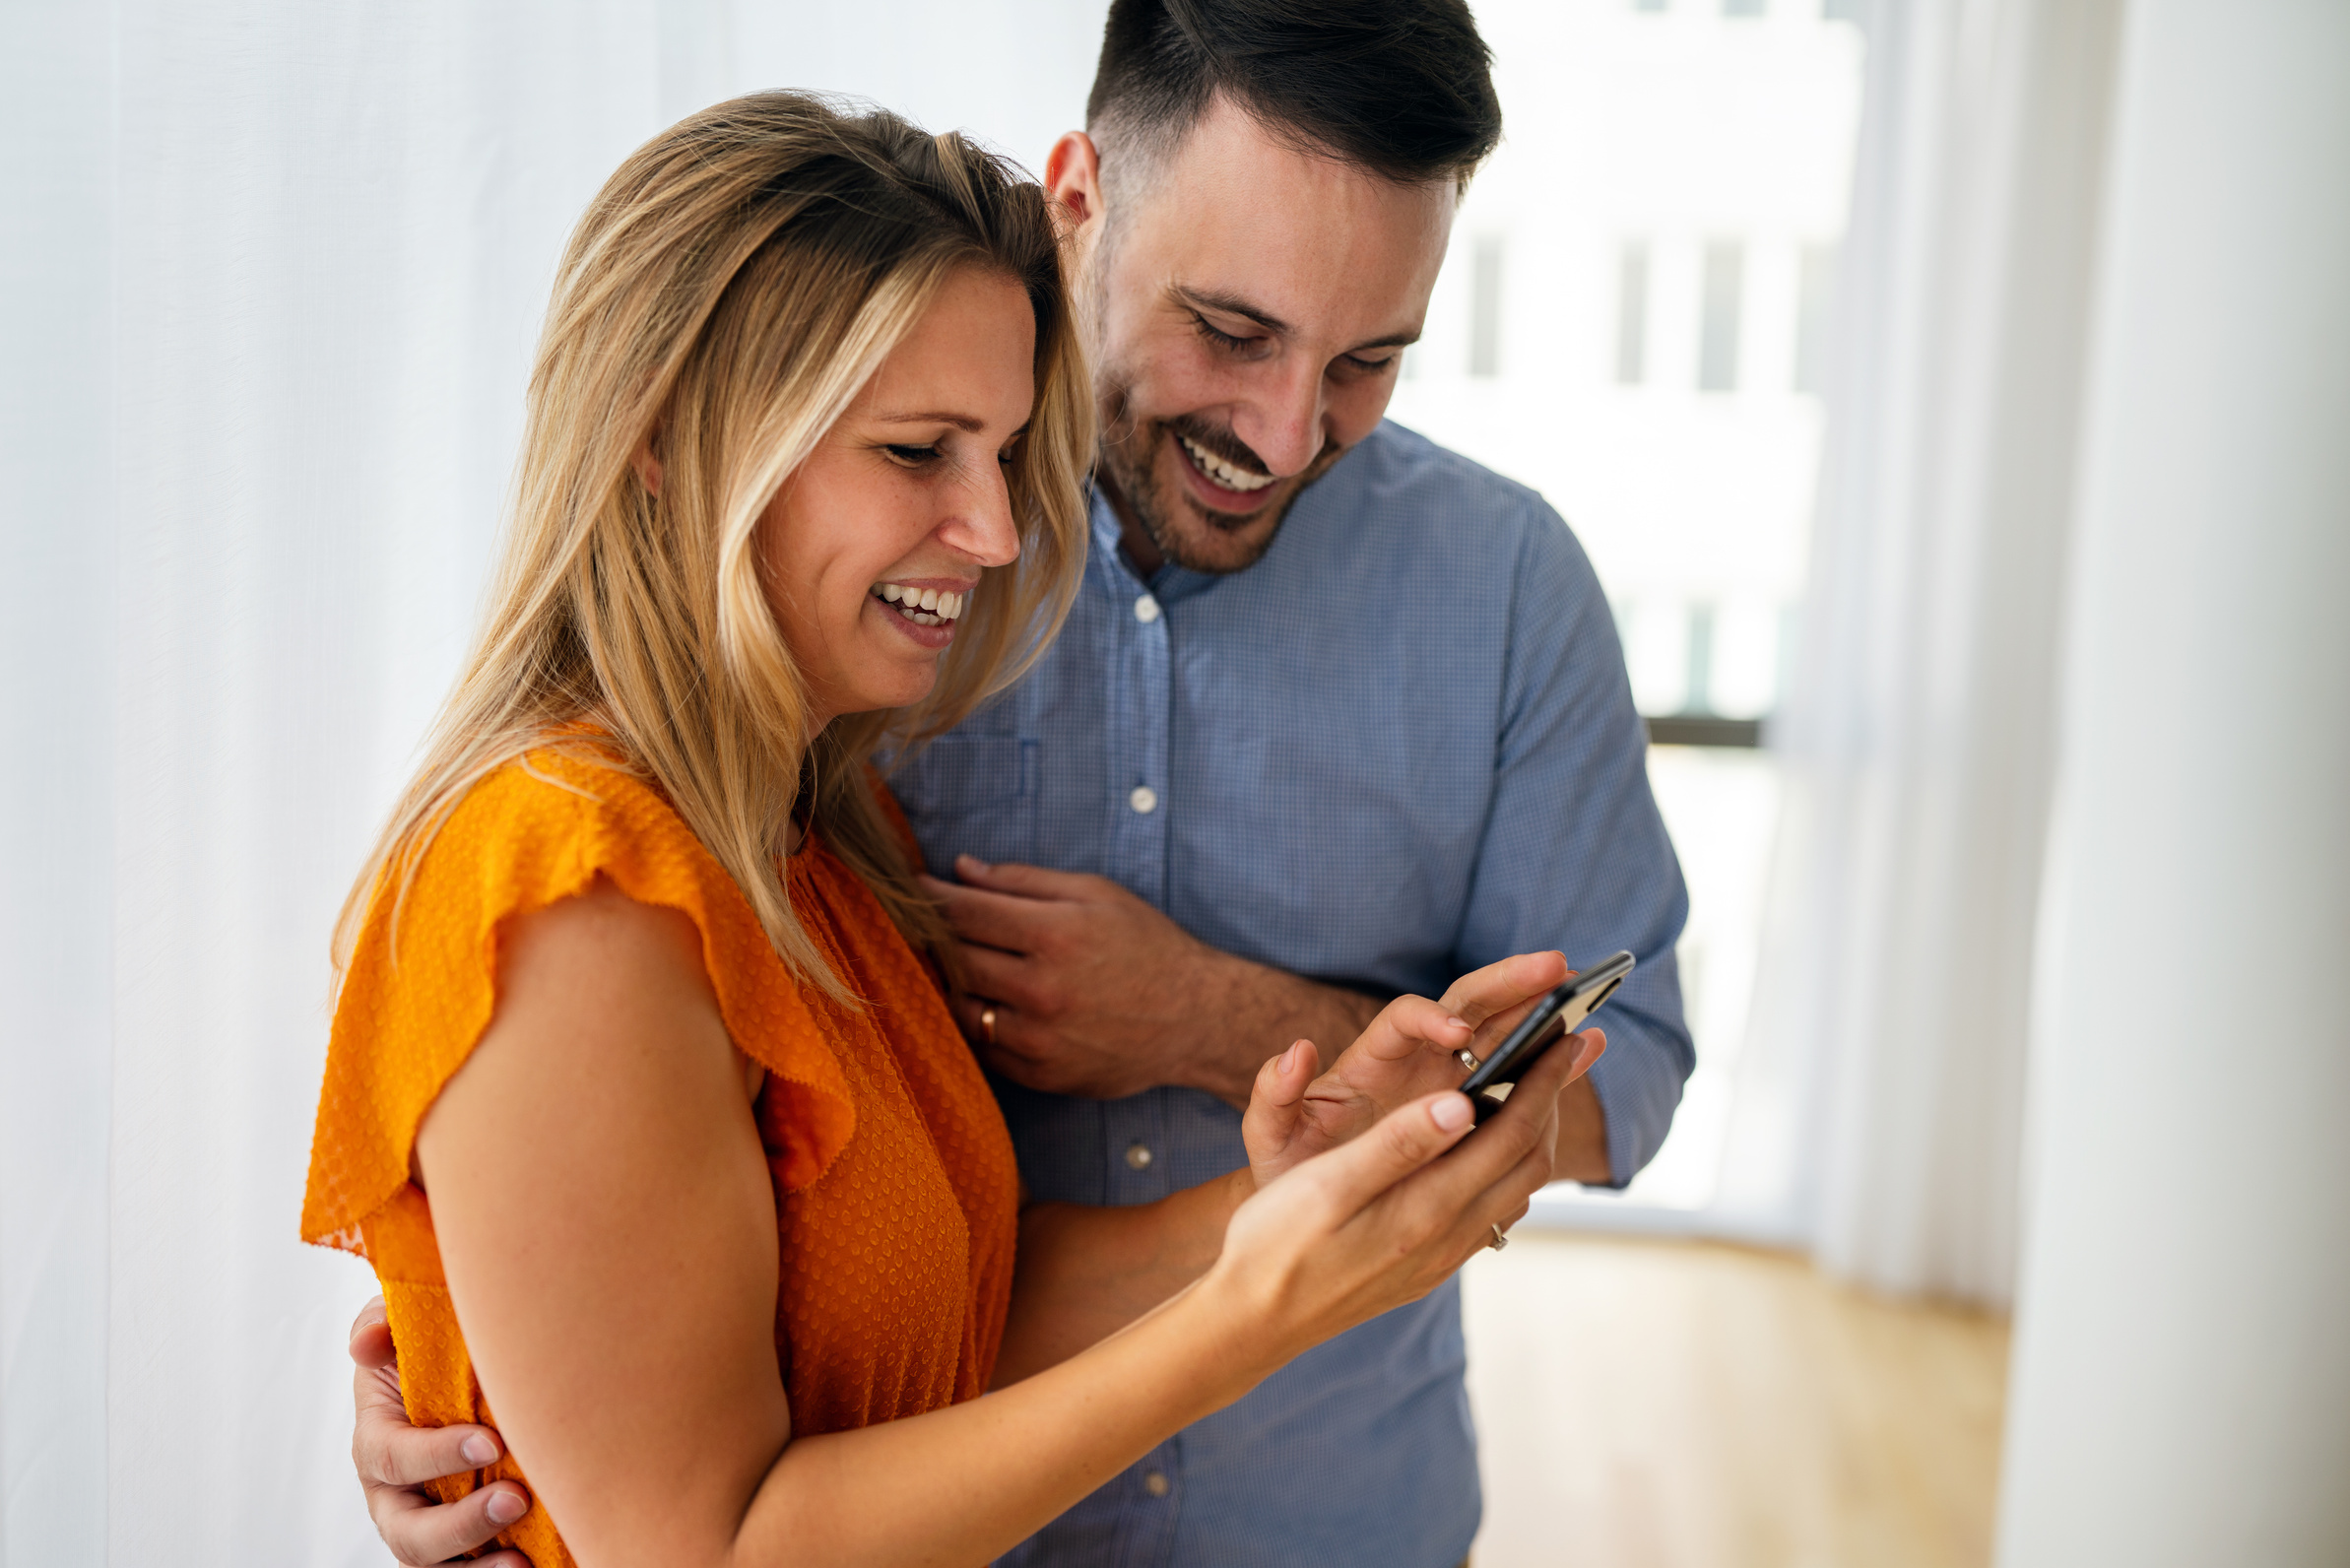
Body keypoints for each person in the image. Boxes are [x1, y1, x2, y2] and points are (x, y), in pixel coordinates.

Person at [308, 90, 1599, 1568]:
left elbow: (942, 1314)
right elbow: (704, 1551)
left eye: (999, 452)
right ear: (664, 437)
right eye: (920, 450)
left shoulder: (819, 831)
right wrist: (1257, 1313)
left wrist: (1279, 1207)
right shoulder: (574, 889)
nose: (995, 536)